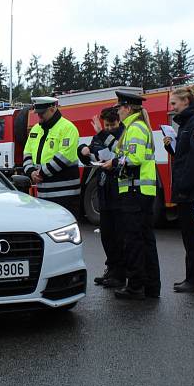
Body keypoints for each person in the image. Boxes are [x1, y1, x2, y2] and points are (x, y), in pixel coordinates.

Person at [101, 90, 161, 300]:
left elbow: (133, 158)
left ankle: (136, 286)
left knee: (134, 240)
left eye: (119, 108)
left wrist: (114, 163)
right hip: (142, 191)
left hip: (135, 191)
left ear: (127, 108)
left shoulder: (135, 128)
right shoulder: (137, 127)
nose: (117, 112)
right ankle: (152, 286)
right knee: (146, 240)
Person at [163, 85, 194, 293]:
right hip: (186, 189)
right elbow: (183, 156)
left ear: (185, 101)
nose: (171, 108)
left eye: (174, 103)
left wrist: (183, 186)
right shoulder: (186, 124)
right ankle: (191, 277)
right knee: (188, 237)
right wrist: (170, 147)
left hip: (192, 191)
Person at [78, 107, 125, 288]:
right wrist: (83, 151)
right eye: (106, 125)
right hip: (104, 189)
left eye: (112, 125)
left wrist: (103, 135)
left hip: (118, 191)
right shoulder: (99, 136)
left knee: (119, 236)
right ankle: (111, 270)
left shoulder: (122, 134)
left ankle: (120, 274)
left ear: (118, 122)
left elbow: (122, 156)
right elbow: (92, 152)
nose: (109, 128)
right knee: (107, 235)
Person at [23, 96, 81, 217]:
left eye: (42, 113)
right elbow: (27, 153)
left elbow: (64, 157)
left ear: (53, 108)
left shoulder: (68, 128)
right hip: (43, 194)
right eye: (37, 113)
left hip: (66, 195)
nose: (39, 116)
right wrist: (31, 172)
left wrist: (40, 173)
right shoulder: (35, 129)